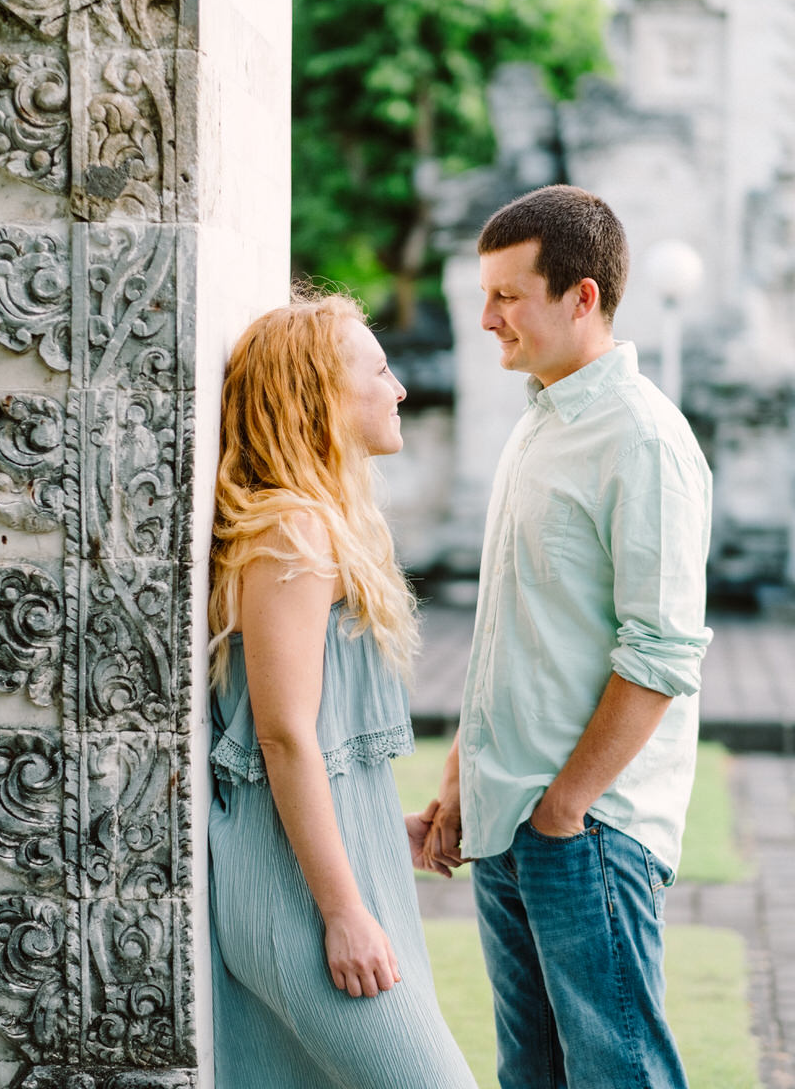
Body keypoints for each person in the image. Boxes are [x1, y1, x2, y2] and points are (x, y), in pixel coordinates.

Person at [424, 185, 712, 1089]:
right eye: (486, 295)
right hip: (510, 823)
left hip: (587, 831)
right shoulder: (536, 426)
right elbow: (508, 635)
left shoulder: (642, 440)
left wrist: (566, 809)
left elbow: (661, 652)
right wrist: (458, 784)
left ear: (581, 297)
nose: (486, 319)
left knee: (621, 1077)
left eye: (508, 295)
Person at [207, 290, 478, 1089]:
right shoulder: (294, 529)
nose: (400, 389)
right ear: (319, 393)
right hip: (300, 898)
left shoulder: (323, 526)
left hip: (333, 873)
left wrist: (375, 826)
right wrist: (343, 912)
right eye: (381, 369)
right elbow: (284, 734)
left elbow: (315, 746)